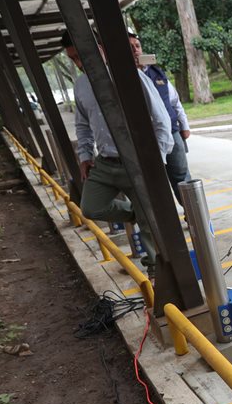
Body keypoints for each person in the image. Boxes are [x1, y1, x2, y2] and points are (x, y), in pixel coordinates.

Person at [63, 30, 172, 261]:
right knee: (90, 207)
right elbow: (82, 124)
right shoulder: (81, 85)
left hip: (138, 161)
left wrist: (158, 158)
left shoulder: (130, 76)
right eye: (72, 59)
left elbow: (161, 119)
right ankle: (136, 213)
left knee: (150, 227)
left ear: (100, 49)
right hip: (105, 162)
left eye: (80, 56)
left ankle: (156, 271)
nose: (79, 63)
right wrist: (85, 156)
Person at [128, 31, 192, 202]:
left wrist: (184, 125)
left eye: (137, 46)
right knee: (154, 182)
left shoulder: (157, 73)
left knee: (182, 175)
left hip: (171, 131)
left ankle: (193, 216)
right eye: (130, 47)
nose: (135, 50)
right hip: (143, 139)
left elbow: (175, 101)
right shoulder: (123, 78)